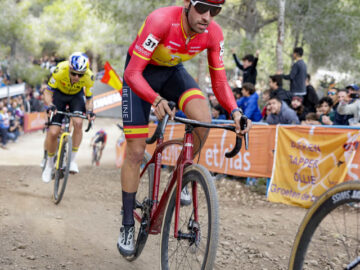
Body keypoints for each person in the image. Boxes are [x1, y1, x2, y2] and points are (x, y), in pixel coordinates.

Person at [117, 0, 252, 256]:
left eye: (215, 11)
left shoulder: (213, 33)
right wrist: (154, 99)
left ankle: (181, 177)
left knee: (203, 119)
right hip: (140, 74)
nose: (207, 16)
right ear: (187, 5)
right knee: (135, 151)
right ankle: (126, 224)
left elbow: (220, 80)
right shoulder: (160, 21)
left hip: (172, 73)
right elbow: (133, 72)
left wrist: (235, 111)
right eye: (203, 8)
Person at [41, 52, 96, 183]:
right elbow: (48, 92)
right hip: (59, 95)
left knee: (78, 123)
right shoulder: (60, 70)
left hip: (75, 97)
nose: (77, 77)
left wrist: (90, 111)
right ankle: (49, 165)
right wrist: (50, 105)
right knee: (53, 132)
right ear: (69, 69)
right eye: (73, 73)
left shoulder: (90, 77)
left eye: (80, 74)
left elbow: (89, 99)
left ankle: (72, 161)